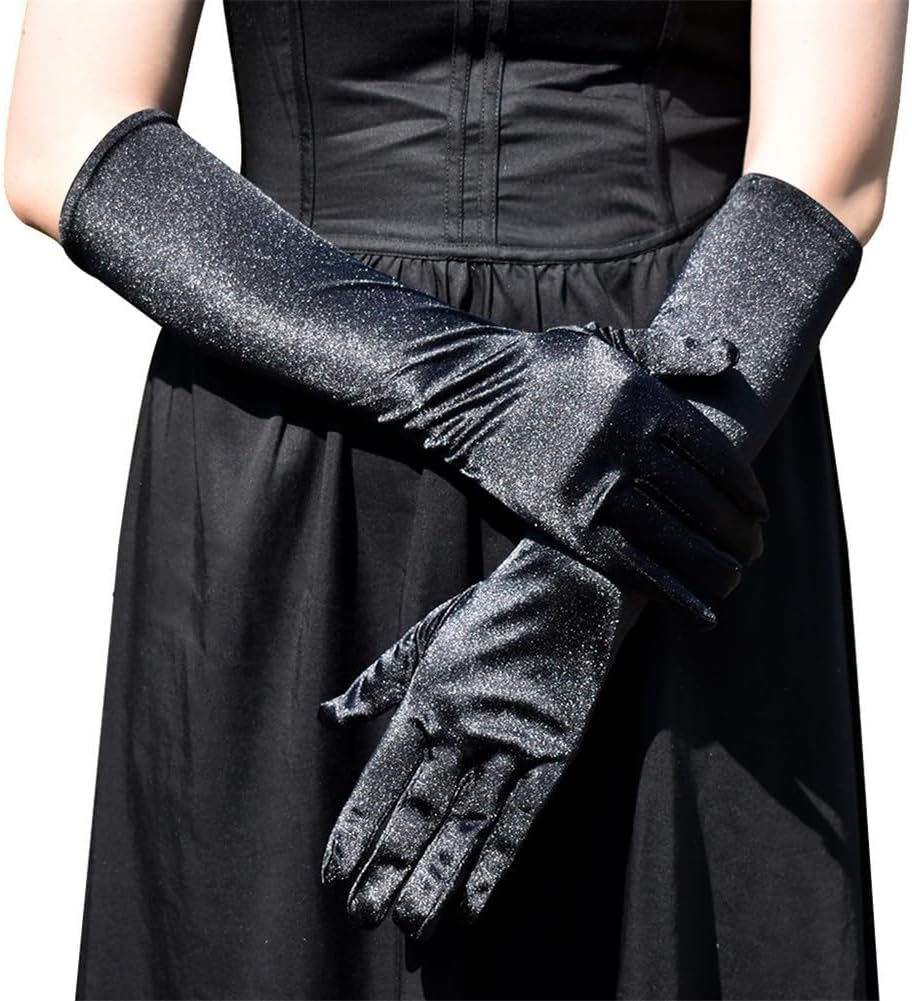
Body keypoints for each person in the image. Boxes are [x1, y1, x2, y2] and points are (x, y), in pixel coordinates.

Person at [4, 1, 905, 998]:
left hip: (690, 418)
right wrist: (479, 388)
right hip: (302, 408)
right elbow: (68, 132)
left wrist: (610, 532)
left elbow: (826, 163)